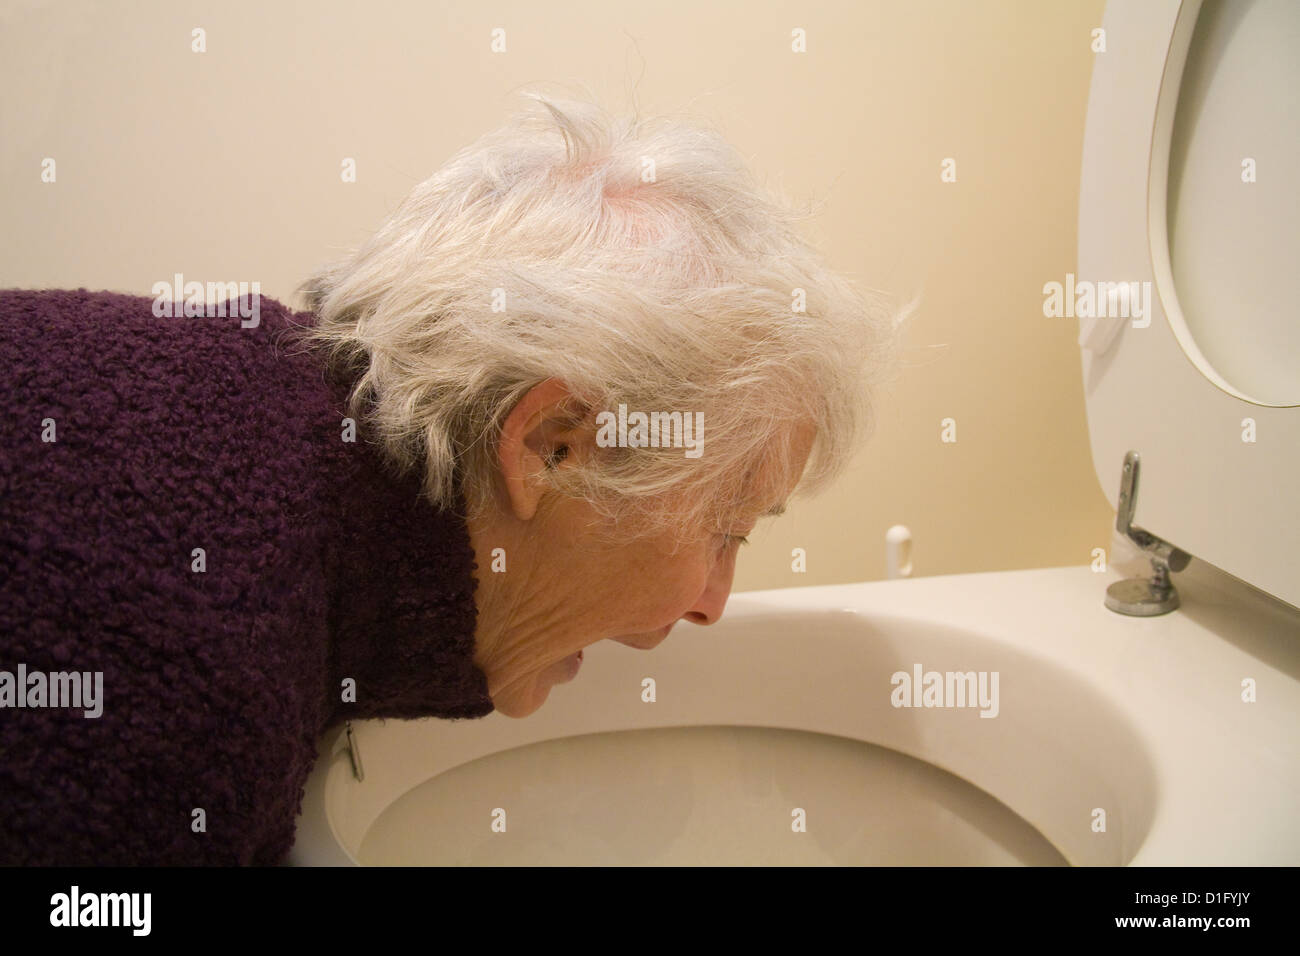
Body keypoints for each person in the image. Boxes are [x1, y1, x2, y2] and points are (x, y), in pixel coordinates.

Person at [0, 92, 907, 864]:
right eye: (728, 526)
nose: (713, 600)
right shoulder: (193, 682)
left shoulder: (229, 396)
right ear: (553, 446)